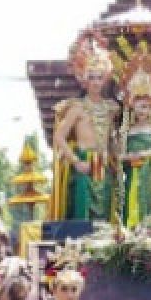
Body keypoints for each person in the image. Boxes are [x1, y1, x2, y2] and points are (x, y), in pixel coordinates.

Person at [50, 30, 119, 221]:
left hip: (102, 162)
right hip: (84, 159)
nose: (96, 82)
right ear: (85, 80)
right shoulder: (77, 108)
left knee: (103, 213)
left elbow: (113, 138)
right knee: (84, 213)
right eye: (93, 77)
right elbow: (59, 137)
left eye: (100, 77)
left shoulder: (110, 108)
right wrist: (75, 161)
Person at [112, 41, 151, 227]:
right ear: (132, 106)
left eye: (146, 106)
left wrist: (145, 155)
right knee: (130, 205)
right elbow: (118, 156)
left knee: (149, 208)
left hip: (150, 175)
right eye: (138, 105)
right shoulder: (126, 131)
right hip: (131, 175)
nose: (142, 110)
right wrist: (128, 157)